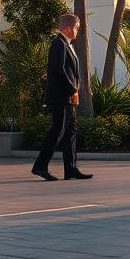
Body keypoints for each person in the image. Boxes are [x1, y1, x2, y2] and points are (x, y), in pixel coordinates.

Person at [31, 13, 92, 181]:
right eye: (76, 27)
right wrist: (73, 90)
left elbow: (69, 71)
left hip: (67, 97)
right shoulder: (58, 44)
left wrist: (74, 91)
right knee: (58, 131)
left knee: (70, 132)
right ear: (66, 28)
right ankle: (40, 166)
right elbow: (59, 70)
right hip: (60, 98)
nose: (78, 30)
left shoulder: (66, 44)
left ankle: (71, 168)